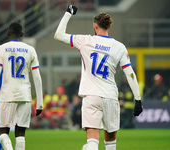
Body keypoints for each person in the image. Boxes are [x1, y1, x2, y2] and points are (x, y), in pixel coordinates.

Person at [54, 5, 143, 150]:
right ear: (109, 26)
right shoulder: (119, 47)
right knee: (110, 143)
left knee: (92, 142)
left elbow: (58, 35)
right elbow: (130, 73)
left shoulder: (85, 41)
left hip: (91, 95)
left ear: (95, 26)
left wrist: (68, 13)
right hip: (110, 96)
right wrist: (138, 99)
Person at [0, 22, 43, 150]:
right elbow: (37, 78)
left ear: (7, 33)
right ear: (22, 34)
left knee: (2, 132)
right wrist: (39, 103)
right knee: (20, 134)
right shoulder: (31, 50)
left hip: (7, 94)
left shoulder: (1, 49)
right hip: (24, 95)